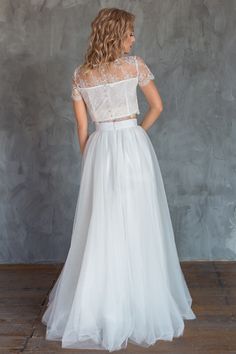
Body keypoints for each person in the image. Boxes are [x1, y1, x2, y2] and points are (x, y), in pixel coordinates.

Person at [41, 7, 196, 352]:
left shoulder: (81, 75)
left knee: (104, 223)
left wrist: (91, 159)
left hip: (100, 148)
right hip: (132, 145)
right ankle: (140, 299)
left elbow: (82, 128)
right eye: (129, 33)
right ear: (115, 34)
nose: (133, 39)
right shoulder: (135, 66)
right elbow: (157, 106)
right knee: (139, 220)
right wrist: (136, 134)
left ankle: (100, 304)